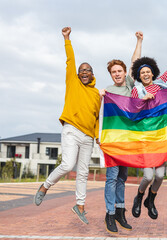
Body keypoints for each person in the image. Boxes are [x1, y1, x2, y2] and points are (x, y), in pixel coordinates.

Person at [34, 27, 101, 225]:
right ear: (78, 74)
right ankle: (45, 186)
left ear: (92, 73)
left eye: (87, 70)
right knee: (67, 164)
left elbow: (97, 117)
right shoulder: (72, 82)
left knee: (83, 172)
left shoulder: (97, 93)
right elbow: (70, 60)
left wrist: (97, 135)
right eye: (81, 71)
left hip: (88, 136)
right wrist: (67, 39)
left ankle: (79, 206)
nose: (84, 73)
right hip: (71, 129)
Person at [131, 52, 167, 220]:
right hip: (146, 138)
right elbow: (133, 112)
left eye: (148, 71)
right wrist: (143, 101)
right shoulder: (136, 91)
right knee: (148, 176)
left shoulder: (160, 85)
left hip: (162, 137)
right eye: (142, 73)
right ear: (138, 75)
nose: (146, 74)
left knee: (160, 176)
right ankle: (139, 197)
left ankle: (151, 200)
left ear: (152, 73)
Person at [100, 31, 143, 233]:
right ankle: (109, 214)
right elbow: (99, 113)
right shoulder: (107, 91)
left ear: (125, 73)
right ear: (110, 75)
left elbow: (135, 62)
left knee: (122, 178)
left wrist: (139, 41)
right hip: (112, 140)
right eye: (113, 72)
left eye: (119, 71)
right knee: (112, 176)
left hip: (128, 140)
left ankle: (119, 212)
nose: (117, 74)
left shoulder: (129, 85)